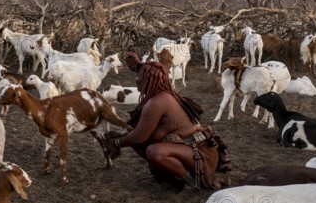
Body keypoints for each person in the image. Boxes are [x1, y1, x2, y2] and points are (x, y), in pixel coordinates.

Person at [98, 52, 231, 190]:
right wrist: (123, 137)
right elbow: (140, 135)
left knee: (154, 151)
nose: (136, 80)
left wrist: (118, 142)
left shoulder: (158, 101)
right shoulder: (159, 97)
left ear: (149, 79)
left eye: (139, 76)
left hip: (200, 154)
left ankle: (190, 182)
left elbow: (139, 136)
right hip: (188, 149)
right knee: (137, 142)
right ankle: (171, 176)